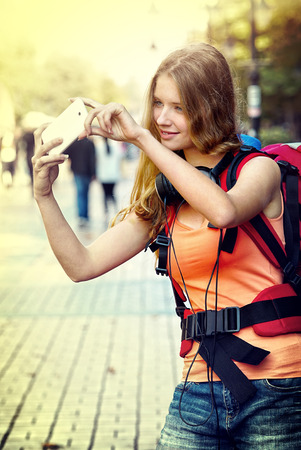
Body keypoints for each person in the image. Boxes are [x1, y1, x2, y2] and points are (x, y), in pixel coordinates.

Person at [32, 43, 300, 449]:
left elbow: (223, 211)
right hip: (198, 386)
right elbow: (81, 265)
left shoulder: (257, 170)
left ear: (211, 107)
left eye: (179, 107)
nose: (161, 119)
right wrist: (44, 197)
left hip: (277, 385)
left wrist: (140, 138)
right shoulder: (163, 199)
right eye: (157, 103)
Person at [64, 137, 96, 227]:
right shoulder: (89, 142)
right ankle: (85, 216)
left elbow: (65, 153)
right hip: (87, 172)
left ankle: (82, 216)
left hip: (77, 171)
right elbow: (93, 159)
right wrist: (93, 173)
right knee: (85, 194)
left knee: (80, 194)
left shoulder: (73, 143)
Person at [93, 136, 123, 220]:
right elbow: (121, 157)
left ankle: (106, 212)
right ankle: (116, 210)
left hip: (103, 175)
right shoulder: (115, 147)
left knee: (105, 194)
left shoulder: (99, 148)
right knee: (112, 193)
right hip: (113, 175)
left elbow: (96, 160)